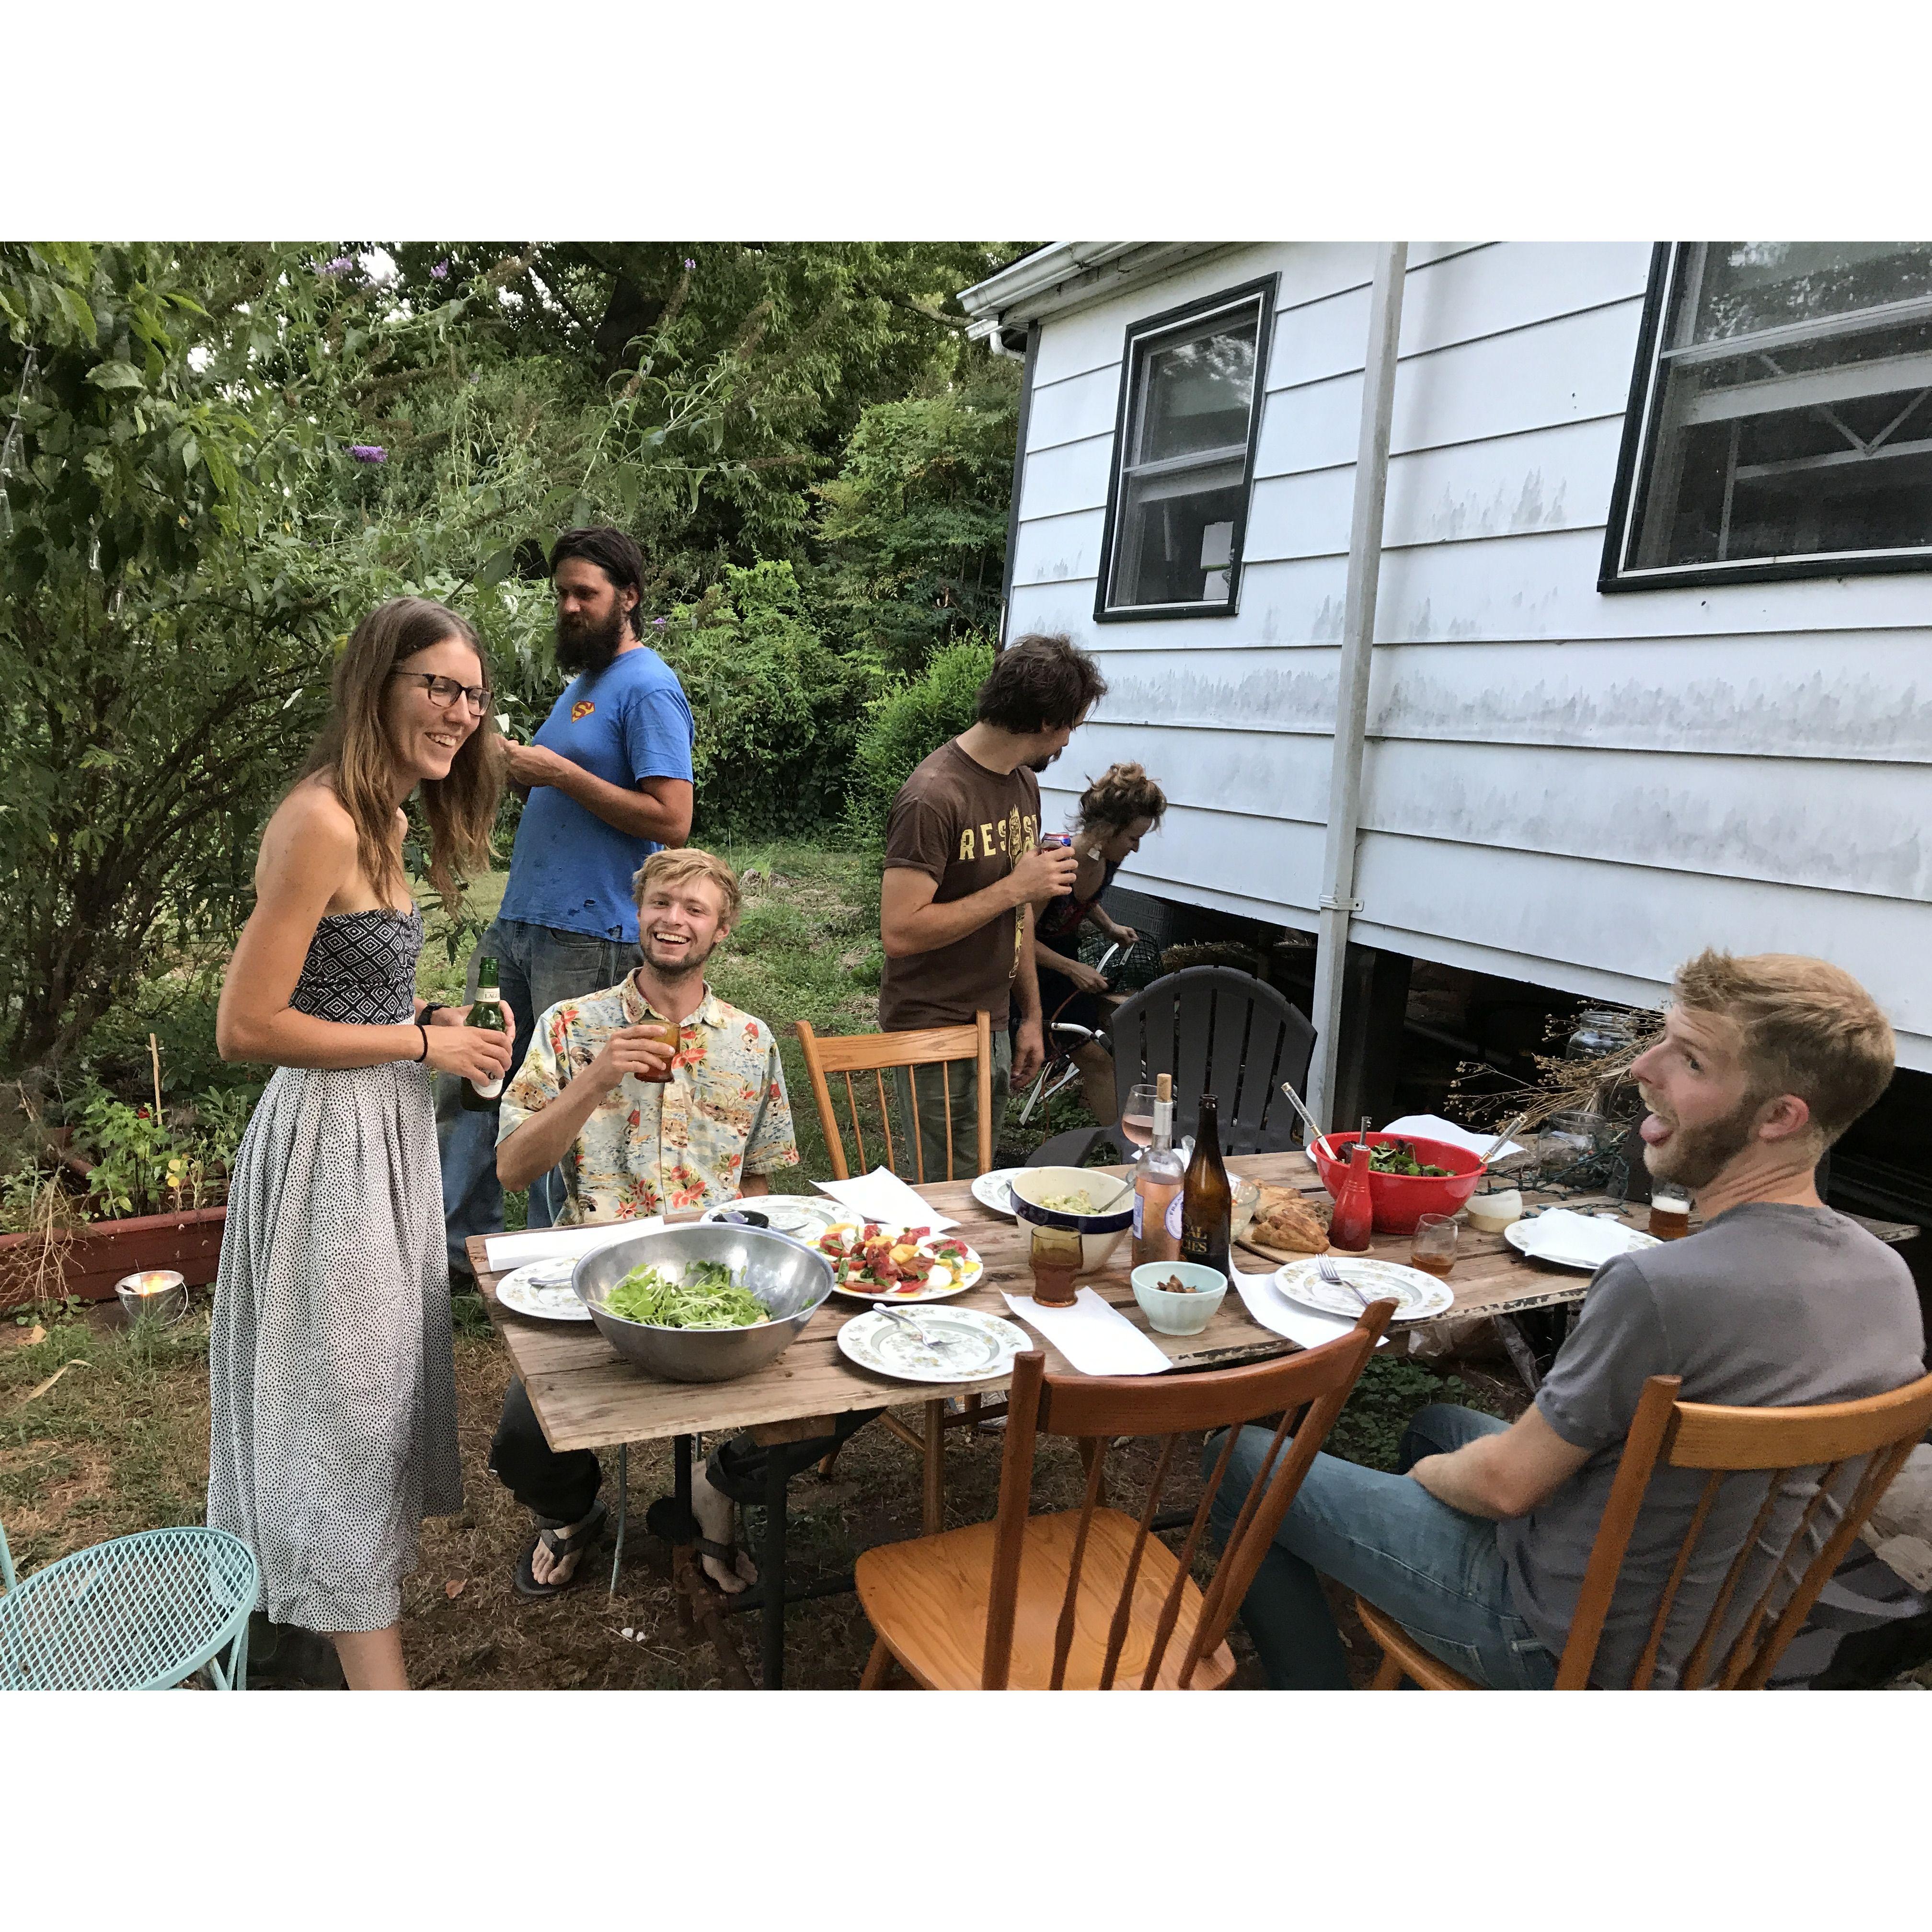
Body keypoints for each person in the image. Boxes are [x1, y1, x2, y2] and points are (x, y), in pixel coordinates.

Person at [1210, 950, 1926, 1690]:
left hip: (1568, 1645)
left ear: (1780, 1117)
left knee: (1238, 1463)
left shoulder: (1659, 1286)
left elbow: (1503, 1488)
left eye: (1691, 1061)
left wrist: (1429, 1482)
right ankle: (1403, 1578)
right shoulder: (1890, 1281)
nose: (1643, 1068)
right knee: (1436, 1422)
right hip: (1720, 1633)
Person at [207, 597, 510, 1691]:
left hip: (382, 1136)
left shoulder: (384, 817)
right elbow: (246, 1025)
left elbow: (352, 987)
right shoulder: (325, 819)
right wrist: (418, 1042)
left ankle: (315, 1633)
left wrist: (432, 1026)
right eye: (438, 684)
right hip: (330, 1147)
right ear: (378, 683)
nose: (459, 711)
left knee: (372, 1406)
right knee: (341, 1417)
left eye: (472, 694)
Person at [488, 849, 866, 1596]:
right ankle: (571, 1517)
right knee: (521, 1446)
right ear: (638, 912)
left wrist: (749, 1253)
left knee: (850, 1390)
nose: (673, 921)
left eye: (695, 910)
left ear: (720, 929)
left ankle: (719, 1485)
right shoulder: (569, 1026)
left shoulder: (750, 1040)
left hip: (718, 1277)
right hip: (596, 1278)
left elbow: (758, 1177)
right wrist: (599, 1076)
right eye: (661, 903)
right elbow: (510, 1170)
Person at [437, 526, 694, 1285]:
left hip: (591, 932)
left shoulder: (649, 686)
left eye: (587, 593)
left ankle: (556, 1260)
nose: (571, 607)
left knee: (561, 1095)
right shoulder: (582, 686)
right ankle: (459, 1257)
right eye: (563, 594)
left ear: (630, 597)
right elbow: (557, 781)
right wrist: (519, 768)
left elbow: (672, 818)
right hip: (522, 921)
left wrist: (559, 775)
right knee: (476, 1077)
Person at [876, 633, 1107, 1181]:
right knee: (945, 1191)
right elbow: (900, 932)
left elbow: (1019, 914)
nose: (1069, 741)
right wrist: (1015, 888)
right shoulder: (933, 795)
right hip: (931, 1024)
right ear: (1046, 720)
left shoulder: (1023, 784)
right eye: (1071, 724)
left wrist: (1030, 1015)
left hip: (995, 1020)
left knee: (976, 1178)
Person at [1027, 761, 1166, 1121]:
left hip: (1064, 961)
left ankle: (1117, 1145)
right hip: (1027, 970)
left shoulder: (1105, 857)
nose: (1136, 848)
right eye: (1133, 838)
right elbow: (1019, 938)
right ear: (1106, 828)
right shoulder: (1055, 861)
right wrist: (1073, 969)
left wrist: (1109, 927)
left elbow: (1083, 901)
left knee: (1095, 1059)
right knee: (1082, 1058)